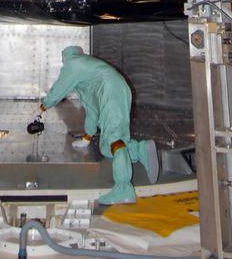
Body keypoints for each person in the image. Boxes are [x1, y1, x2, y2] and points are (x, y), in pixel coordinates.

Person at [40, 45, 159, 204]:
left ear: (66, 58)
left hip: (111, 93)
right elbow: (92, 109)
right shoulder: (86, 74)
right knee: (106, 147)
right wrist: (87, 137)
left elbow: (57, 91)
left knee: (114, 140)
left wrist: (42, 107)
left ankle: (123, 189)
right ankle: (139, 150)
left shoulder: (73, 65)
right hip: (116, 90)